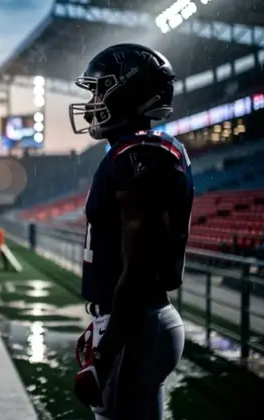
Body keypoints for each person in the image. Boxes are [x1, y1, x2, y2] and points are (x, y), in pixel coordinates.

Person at [68, 43, 194, 419]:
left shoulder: (141, 155)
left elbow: (139, 269)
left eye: (100, 89)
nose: (92, 101)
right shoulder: (133, 151)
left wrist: (107, 352)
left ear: (129, 91)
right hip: (136, 322)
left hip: (138, 324)